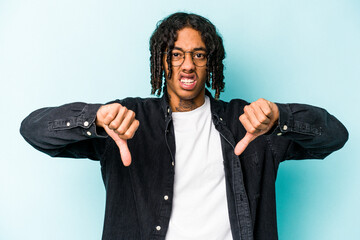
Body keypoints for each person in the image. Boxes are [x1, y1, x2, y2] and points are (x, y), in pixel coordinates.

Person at [20, 12, 348, 240]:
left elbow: (335, 136)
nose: (187, 65)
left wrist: (281, 117)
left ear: (211, 64)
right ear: (162, 62)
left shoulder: (249, 122)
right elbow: (33, 130)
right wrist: (93, 119)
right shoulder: (126, 119)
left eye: (198, 55)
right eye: (176, 54)